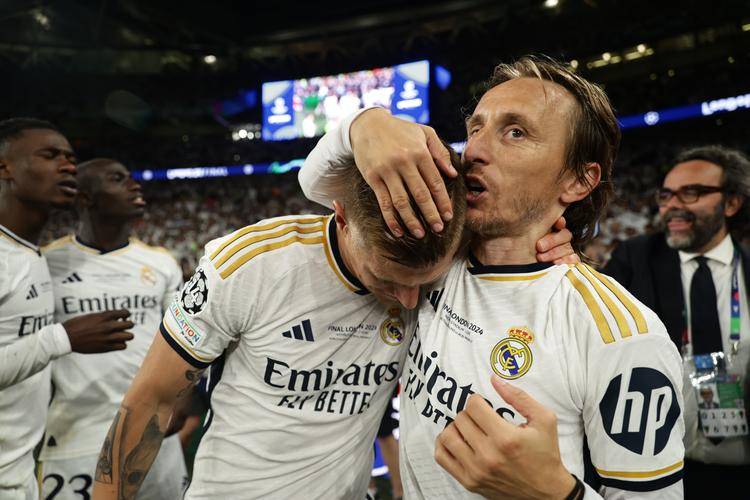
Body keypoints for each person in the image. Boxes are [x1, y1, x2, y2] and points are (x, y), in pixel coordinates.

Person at [298, 55, 686, 499]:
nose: (475, 151)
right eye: (476, 129)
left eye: (515, 132)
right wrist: (364, 126)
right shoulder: (433, 262)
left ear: (579, 180)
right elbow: (319, 187)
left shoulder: (621, 336)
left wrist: (556, 494)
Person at [92, 144, 470, 499]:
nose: (409, 300)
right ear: (342, 217)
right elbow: (151, 398)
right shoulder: (251, 265)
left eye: (424, 281)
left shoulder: (443, 264)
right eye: (386, 278)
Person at [603, 145, 750, 497]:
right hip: (657, 466)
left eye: (691, 193)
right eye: (666, 195)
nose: (672, 205)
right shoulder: (635, 258)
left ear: (731, 203)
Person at [0, 118, 135, 500]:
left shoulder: (30, 251)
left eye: (71, 158)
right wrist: (62, 338)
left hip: (18, 471)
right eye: (50, 155)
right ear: (5, 167)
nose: (68, 166)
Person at [38, 158, 187, 499]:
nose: (134, 185)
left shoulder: (161, 263)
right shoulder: (47, 262)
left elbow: (182, 342)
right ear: (86, 198)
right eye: (118, 179)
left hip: (152, 432)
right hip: (75, 435)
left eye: (131, 177)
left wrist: (182, 399)